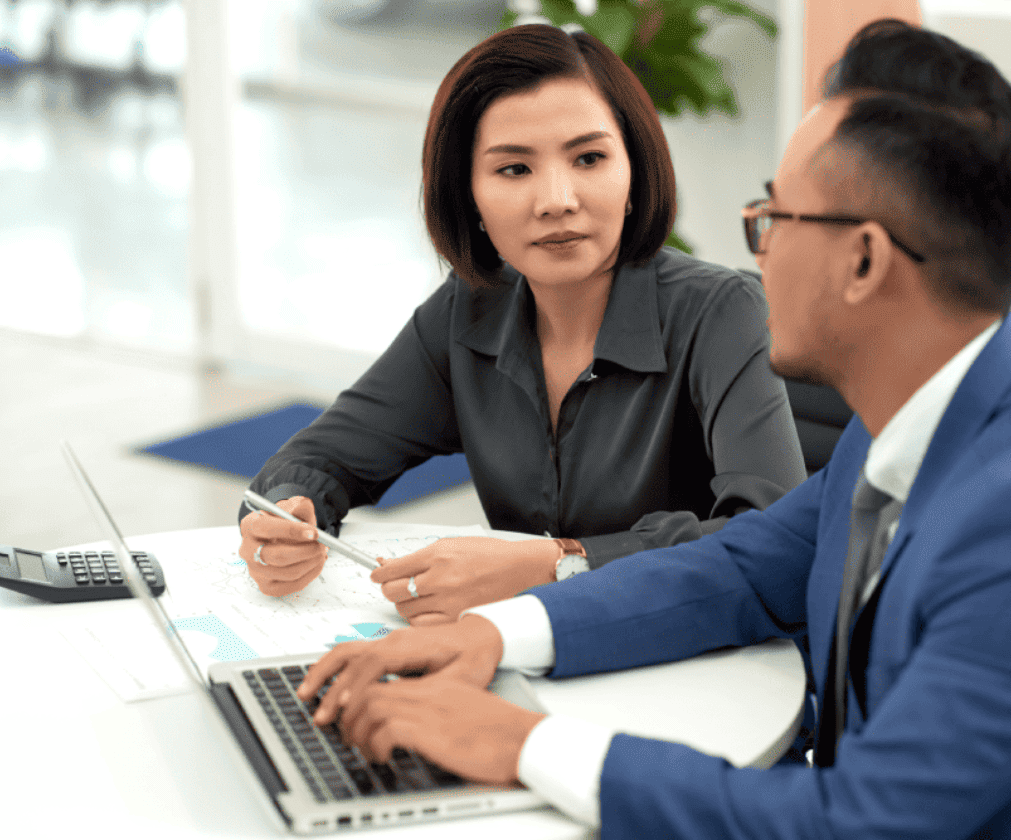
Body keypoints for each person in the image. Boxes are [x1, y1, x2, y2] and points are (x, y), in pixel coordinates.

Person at [294, 18, 1011, 838]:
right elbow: (741, 568)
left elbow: (860, 823)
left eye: (773, 219)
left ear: (863, 261)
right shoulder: (903, 425)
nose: (759, 253)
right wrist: (491, 634)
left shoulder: (998, 525)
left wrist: (527, 744)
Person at [237, 24, 806, 624]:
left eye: (589, 158)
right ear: (470, 198)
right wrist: (287, 514)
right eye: (514, 169)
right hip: (527, 655)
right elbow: (318, 460)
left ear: (634, 173)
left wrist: (558, 564)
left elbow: (776, 546)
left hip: (700, 660)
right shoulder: (469, 308)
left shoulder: (721, 313)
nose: (556, 199)